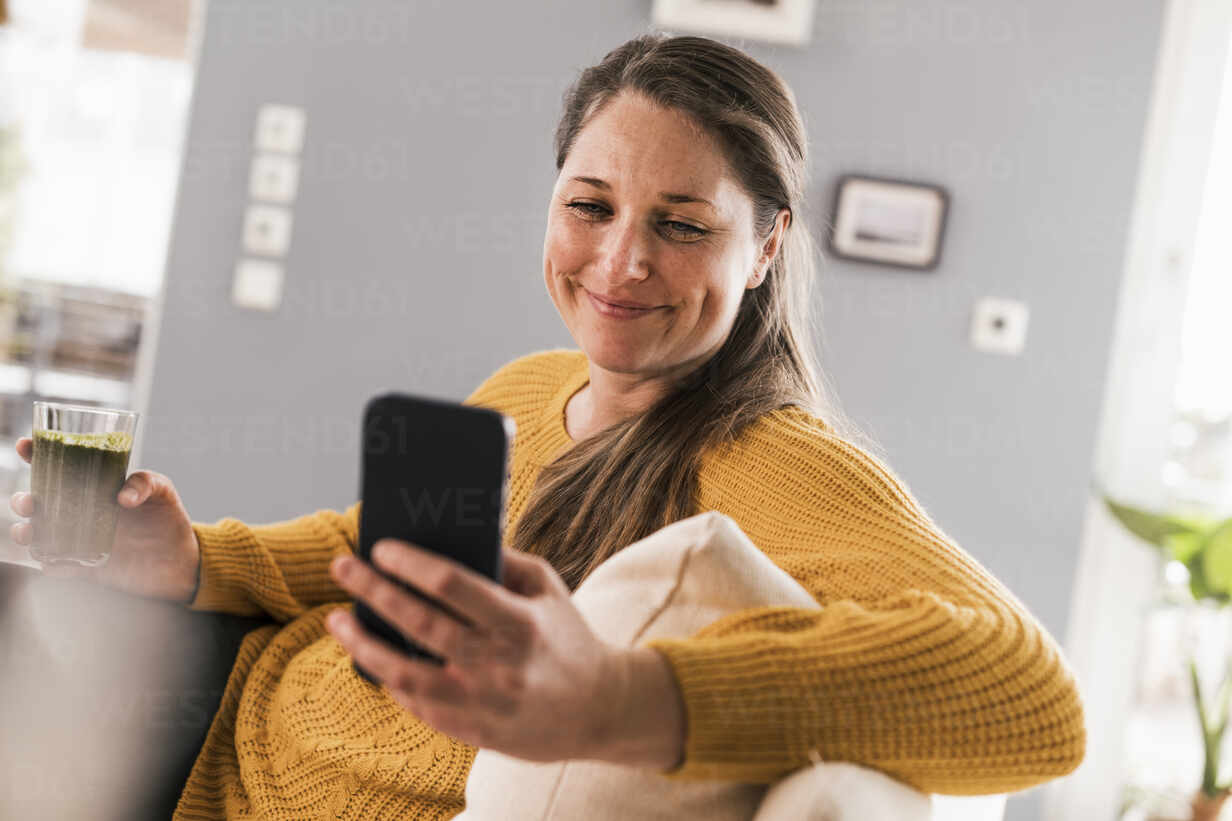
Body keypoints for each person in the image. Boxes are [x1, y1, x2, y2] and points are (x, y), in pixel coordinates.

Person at [5, 33, 1085, 820]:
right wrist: (197, 555)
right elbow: (377, 552)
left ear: (761, 250)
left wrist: (627, 699)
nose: (620, 262)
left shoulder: (771, 455)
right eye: (590, 205)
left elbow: (1031, 697)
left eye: (680, 225)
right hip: (227, 696)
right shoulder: (532, 383)